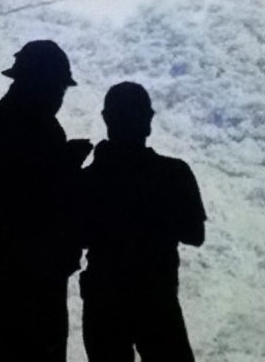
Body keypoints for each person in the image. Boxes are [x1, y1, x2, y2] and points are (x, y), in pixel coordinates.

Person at [0, 40, 92, 362]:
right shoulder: (44, 132)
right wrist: (67, 167)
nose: (58, 98)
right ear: (39, 85)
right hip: (34, 278)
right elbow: (36, 203)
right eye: (57, 89)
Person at [78, 82, 206, 362]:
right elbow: (195, 233)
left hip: (104, 299)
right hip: (157, 299)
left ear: (107, 119)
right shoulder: (174, 173)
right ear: (148, 121)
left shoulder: (87, 180)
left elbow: (75, 236)